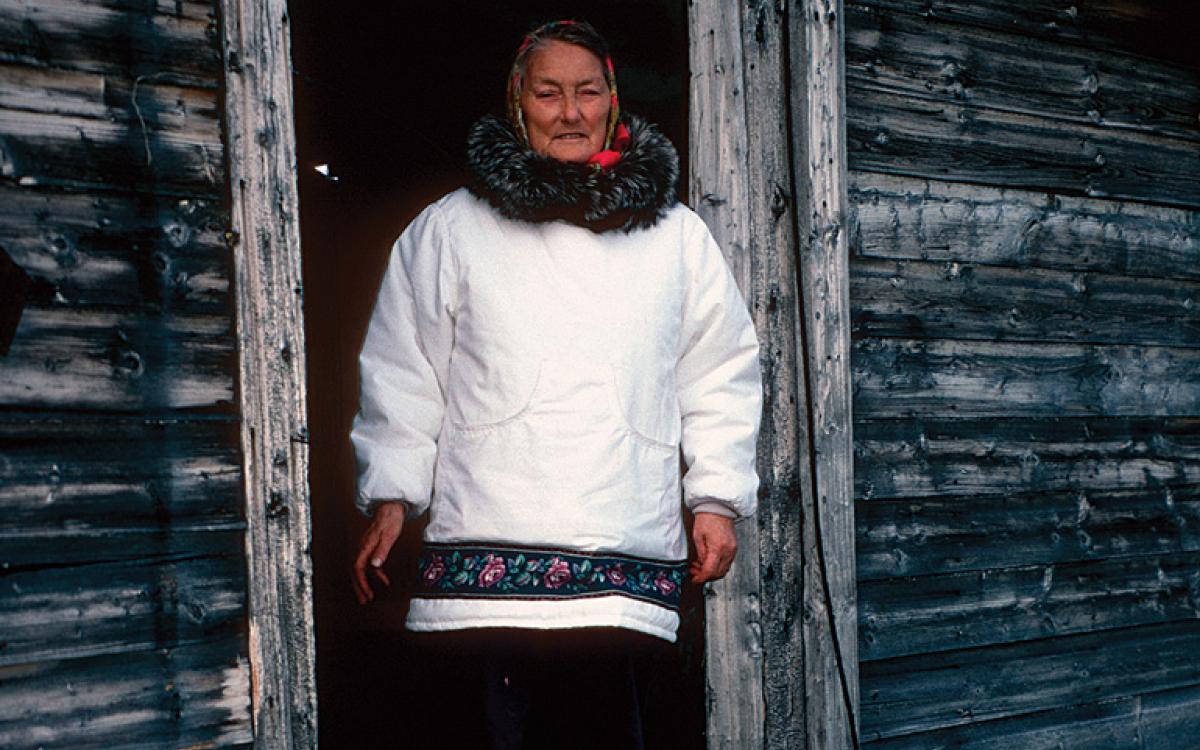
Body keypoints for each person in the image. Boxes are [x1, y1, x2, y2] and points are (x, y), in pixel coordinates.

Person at [349, 19, 762, 749]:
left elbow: (719, 369)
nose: (569, 112)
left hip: (622, 548)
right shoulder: (450, 230)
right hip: (488, 560)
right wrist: (391, 493)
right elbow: (403, 367)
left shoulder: (676, 237)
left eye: (587, 92)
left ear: (613, 101)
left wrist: (717, 498)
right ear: (518, 103)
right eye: (549, 93)